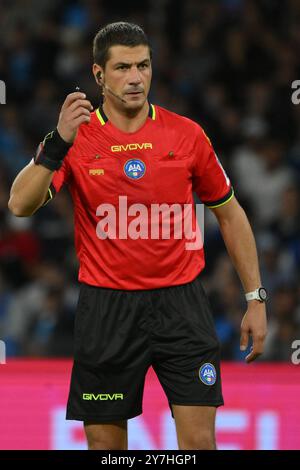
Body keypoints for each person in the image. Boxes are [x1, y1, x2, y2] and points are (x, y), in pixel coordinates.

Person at [8, 22, 268, 450]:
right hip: (106, 308)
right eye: (123, 67)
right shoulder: (76, 138)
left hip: (180, 304)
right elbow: (20, 204)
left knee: (200, 444)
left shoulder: (186, 135)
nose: (135, 78)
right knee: (107, 450)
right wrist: (57, 142)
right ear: (98, 75)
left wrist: (255, 298)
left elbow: (231, 215)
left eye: (143, 65)